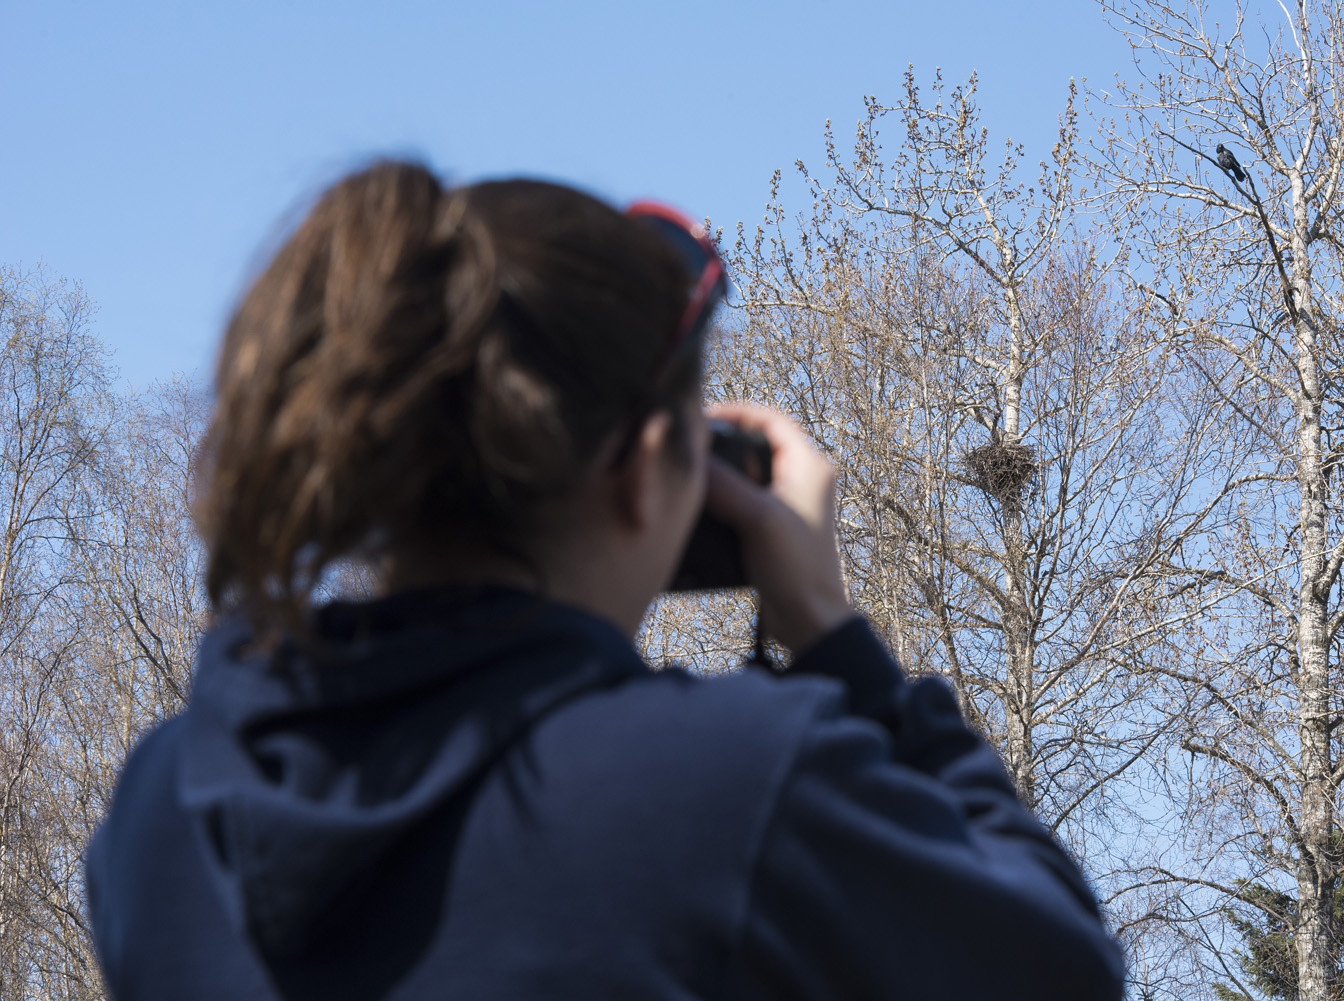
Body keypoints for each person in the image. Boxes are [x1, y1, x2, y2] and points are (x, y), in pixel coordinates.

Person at [85, 161, 1125, 1001]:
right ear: (643, 465)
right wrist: (832, 633)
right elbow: (1063, 967)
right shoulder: (730, 784)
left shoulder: (167, 806)